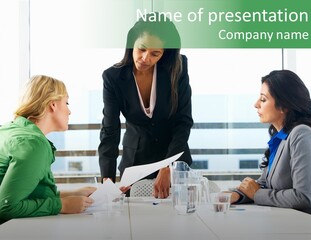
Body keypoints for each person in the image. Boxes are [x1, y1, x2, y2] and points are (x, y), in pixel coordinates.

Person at [98, 12, 193, 199]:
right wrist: (107, 179)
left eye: (155, 53)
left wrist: (169, 166)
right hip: (135, 164)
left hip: (174, 159)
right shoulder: (113, 77)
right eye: (141, 49)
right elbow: (110, 130)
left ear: (164, 53)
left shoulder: (177, 67)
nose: (145, 58)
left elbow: (183, 121)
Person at [0, 75, 96, 224]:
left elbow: (25, 192)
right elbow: (6, 207)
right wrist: (62, 205)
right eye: (66, 102)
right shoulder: (33, 144)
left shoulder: (9, 130)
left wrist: (72, 194)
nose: (69, 111)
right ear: (53, 105)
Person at [231, 70, 311, 217]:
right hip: (286, 222)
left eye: (263, 99)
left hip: (308, 227)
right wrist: (238, 195)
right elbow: (264, 184)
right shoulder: (281, 138)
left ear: (284, 105)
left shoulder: (302, 134)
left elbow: (303, 197)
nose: (256, 104)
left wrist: (257, 194)